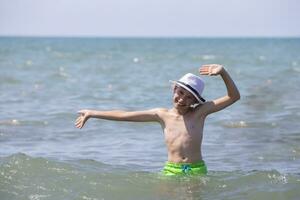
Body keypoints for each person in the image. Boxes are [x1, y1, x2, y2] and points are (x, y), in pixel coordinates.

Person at [75, 64, 240, 176]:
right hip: (170, 170)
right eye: (181, 93)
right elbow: (125, 115)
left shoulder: (199, 113)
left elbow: (234, 97)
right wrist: (93, 112)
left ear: (195, 101)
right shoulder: (162, 115)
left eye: (189, 97)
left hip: (196, 169)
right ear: (174, 89)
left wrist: (223, 72)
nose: (183, 99)